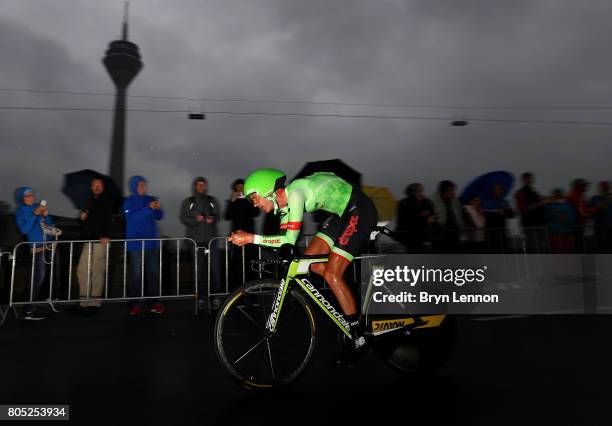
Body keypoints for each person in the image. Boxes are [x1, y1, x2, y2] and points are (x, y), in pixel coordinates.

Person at [228, 169, 378, 363]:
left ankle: (358, 335)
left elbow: (291, 237)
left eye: (255, 198)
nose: (255, 204)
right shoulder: (284, 209)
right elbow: (284, 242)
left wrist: (251, 238)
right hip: (340, 216)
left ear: (269, 191)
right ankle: (348, 290)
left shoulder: (296, 192)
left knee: (332, 273)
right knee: (312, 263)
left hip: (358, 209)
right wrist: (270, 247)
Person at [123, 176, 165, 315]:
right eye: (140, 185)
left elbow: (159, 216)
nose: (143, 187)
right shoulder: (128, 201)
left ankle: (154, 303)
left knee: (153, 274)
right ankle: (135, 304)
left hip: (151, 243)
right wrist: (148, 208)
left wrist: (158, 209)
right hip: (135, 244)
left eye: (144, 184)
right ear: (134, 186)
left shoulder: (150, 198)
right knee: (135, 275)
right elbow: (132, 219)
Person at [179, 177, 222, 311]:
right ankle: (201, 299)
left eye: (204, 185)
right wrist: (195, 219)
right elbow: (183, 217)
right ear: (195, 187)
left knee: (215, 270)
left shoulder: (211, 200)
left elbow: (218, 215)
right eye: (199, 185)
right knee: (199, 272)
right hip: (196, 242)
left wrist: (212, 219)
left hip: (211, 240)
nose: (202, 187)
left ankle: (215, 297)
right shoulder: (188, 201)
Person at [14, 187, 56, 320]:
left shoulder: (39, 206)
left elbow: (50, 226)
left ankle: (45, 302)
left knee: (46, 278)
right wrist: (35, 214)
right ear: (22, 198)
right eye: (27, 196)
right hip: (36, 249)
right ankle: (29, 310)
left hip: (48, 247)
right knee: (37, 279)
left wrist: (46, 216)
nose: (31, 197)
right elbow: (25, 230)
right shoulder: (20, 212)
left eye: (32, 195)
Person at [77, 178, 113, 310]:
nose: (97, 187)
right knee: (82, 270)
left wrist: (107, 235)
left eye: (99, 185)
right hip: (89, 239)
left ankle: (95, 302)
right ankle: (84, 300)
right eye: (94, 185)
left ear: (103, 187)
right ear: (91, 187)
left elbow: (110, 219)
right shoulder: (90, 200)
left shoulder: (107, 200)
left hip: (100, 240)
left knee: (97, 271)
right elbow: (88, 221)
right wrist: (82, 218)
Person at [225, 178, 259, 287]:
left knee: (251, 264)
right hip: (236, 237)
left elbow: (256, 213)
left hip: (249, 236)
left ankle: (252, 295)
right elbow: (227, 216)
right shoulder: (232, 200)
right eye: (238, 187)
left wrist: (249, 200)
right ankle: (237, 292)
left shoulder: (250, 199)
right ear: (235, 188)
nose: (240, 189)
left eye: (242, 187)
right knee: (237, 265)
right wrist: (231, 202)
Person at [395, 183, 435, 252]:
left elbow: (431, 215)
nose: (421, 193)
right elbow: (406, 222)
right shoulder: (404, 204)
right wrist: (425, 220)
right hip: (407, 236)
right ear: (412, 193)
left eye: (421, 191)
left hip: (422, 235)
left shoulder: (426, 202)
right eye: (418, 191)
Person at [514, 172, 549, 253]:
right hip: (530, 224)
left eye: (531, 178)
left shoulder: (534, 193)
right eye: (528, 178)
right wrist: (539, 203)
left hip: (540, 223)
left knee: (543, 247)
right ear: (523, 180)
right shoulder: (520, 193)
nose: (530, 180)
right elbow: (523, 209)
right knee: (535, 247)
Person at [431, 180, 465, 252]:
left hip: (455, 235)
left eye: (453, 190)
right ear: (443, 192)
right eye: (451, 190)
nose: (453, 193)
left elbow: (460, 216)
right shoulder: (432, 201)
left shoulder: (455, 200)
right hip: (440, 237)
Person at [482, 184, 515, 253]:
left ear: (502, 191)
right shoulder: (487, 201)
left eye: (499, 189)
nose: (497, 191)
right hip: (491, 231)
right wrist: (497, 212)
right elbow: (485, 214)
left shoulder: (504, 201)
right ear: (492, 191)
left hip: (502, 230)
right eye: (495, 189)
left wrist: (505, 210)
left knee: (505, 250)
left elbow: (512, 214)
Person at [566, 178, 597, 253]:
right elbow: (583, 213)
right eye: (583, 185)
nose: (586, 187)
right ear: (577, 186)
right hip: (577, 225)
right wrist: (597, 208)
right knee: (579, 247)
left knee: (579, 246)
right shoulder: (577, 196)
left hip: (577, 225)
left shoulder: (577, 195)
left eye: (585, 185)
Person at [546, 189, 576, 253]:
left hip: (560, 233)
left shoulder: (568, 206)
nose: (557, 196)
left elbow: (572, 219)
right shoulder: (568, 206)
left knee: (562, 253)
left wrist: (561, 217)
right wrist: (556, 215)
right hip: (559, 233)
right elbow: (546, 217)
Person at [590, 181, 612, 253]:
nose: (605, 189)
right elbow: (593, 210)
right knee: (602, 247)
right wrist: (605, 200)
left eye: (606, 188)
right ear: (600, 189)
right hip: (600, 227)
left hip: (610, 227)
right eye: (604, 188)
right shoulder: (595, 198)